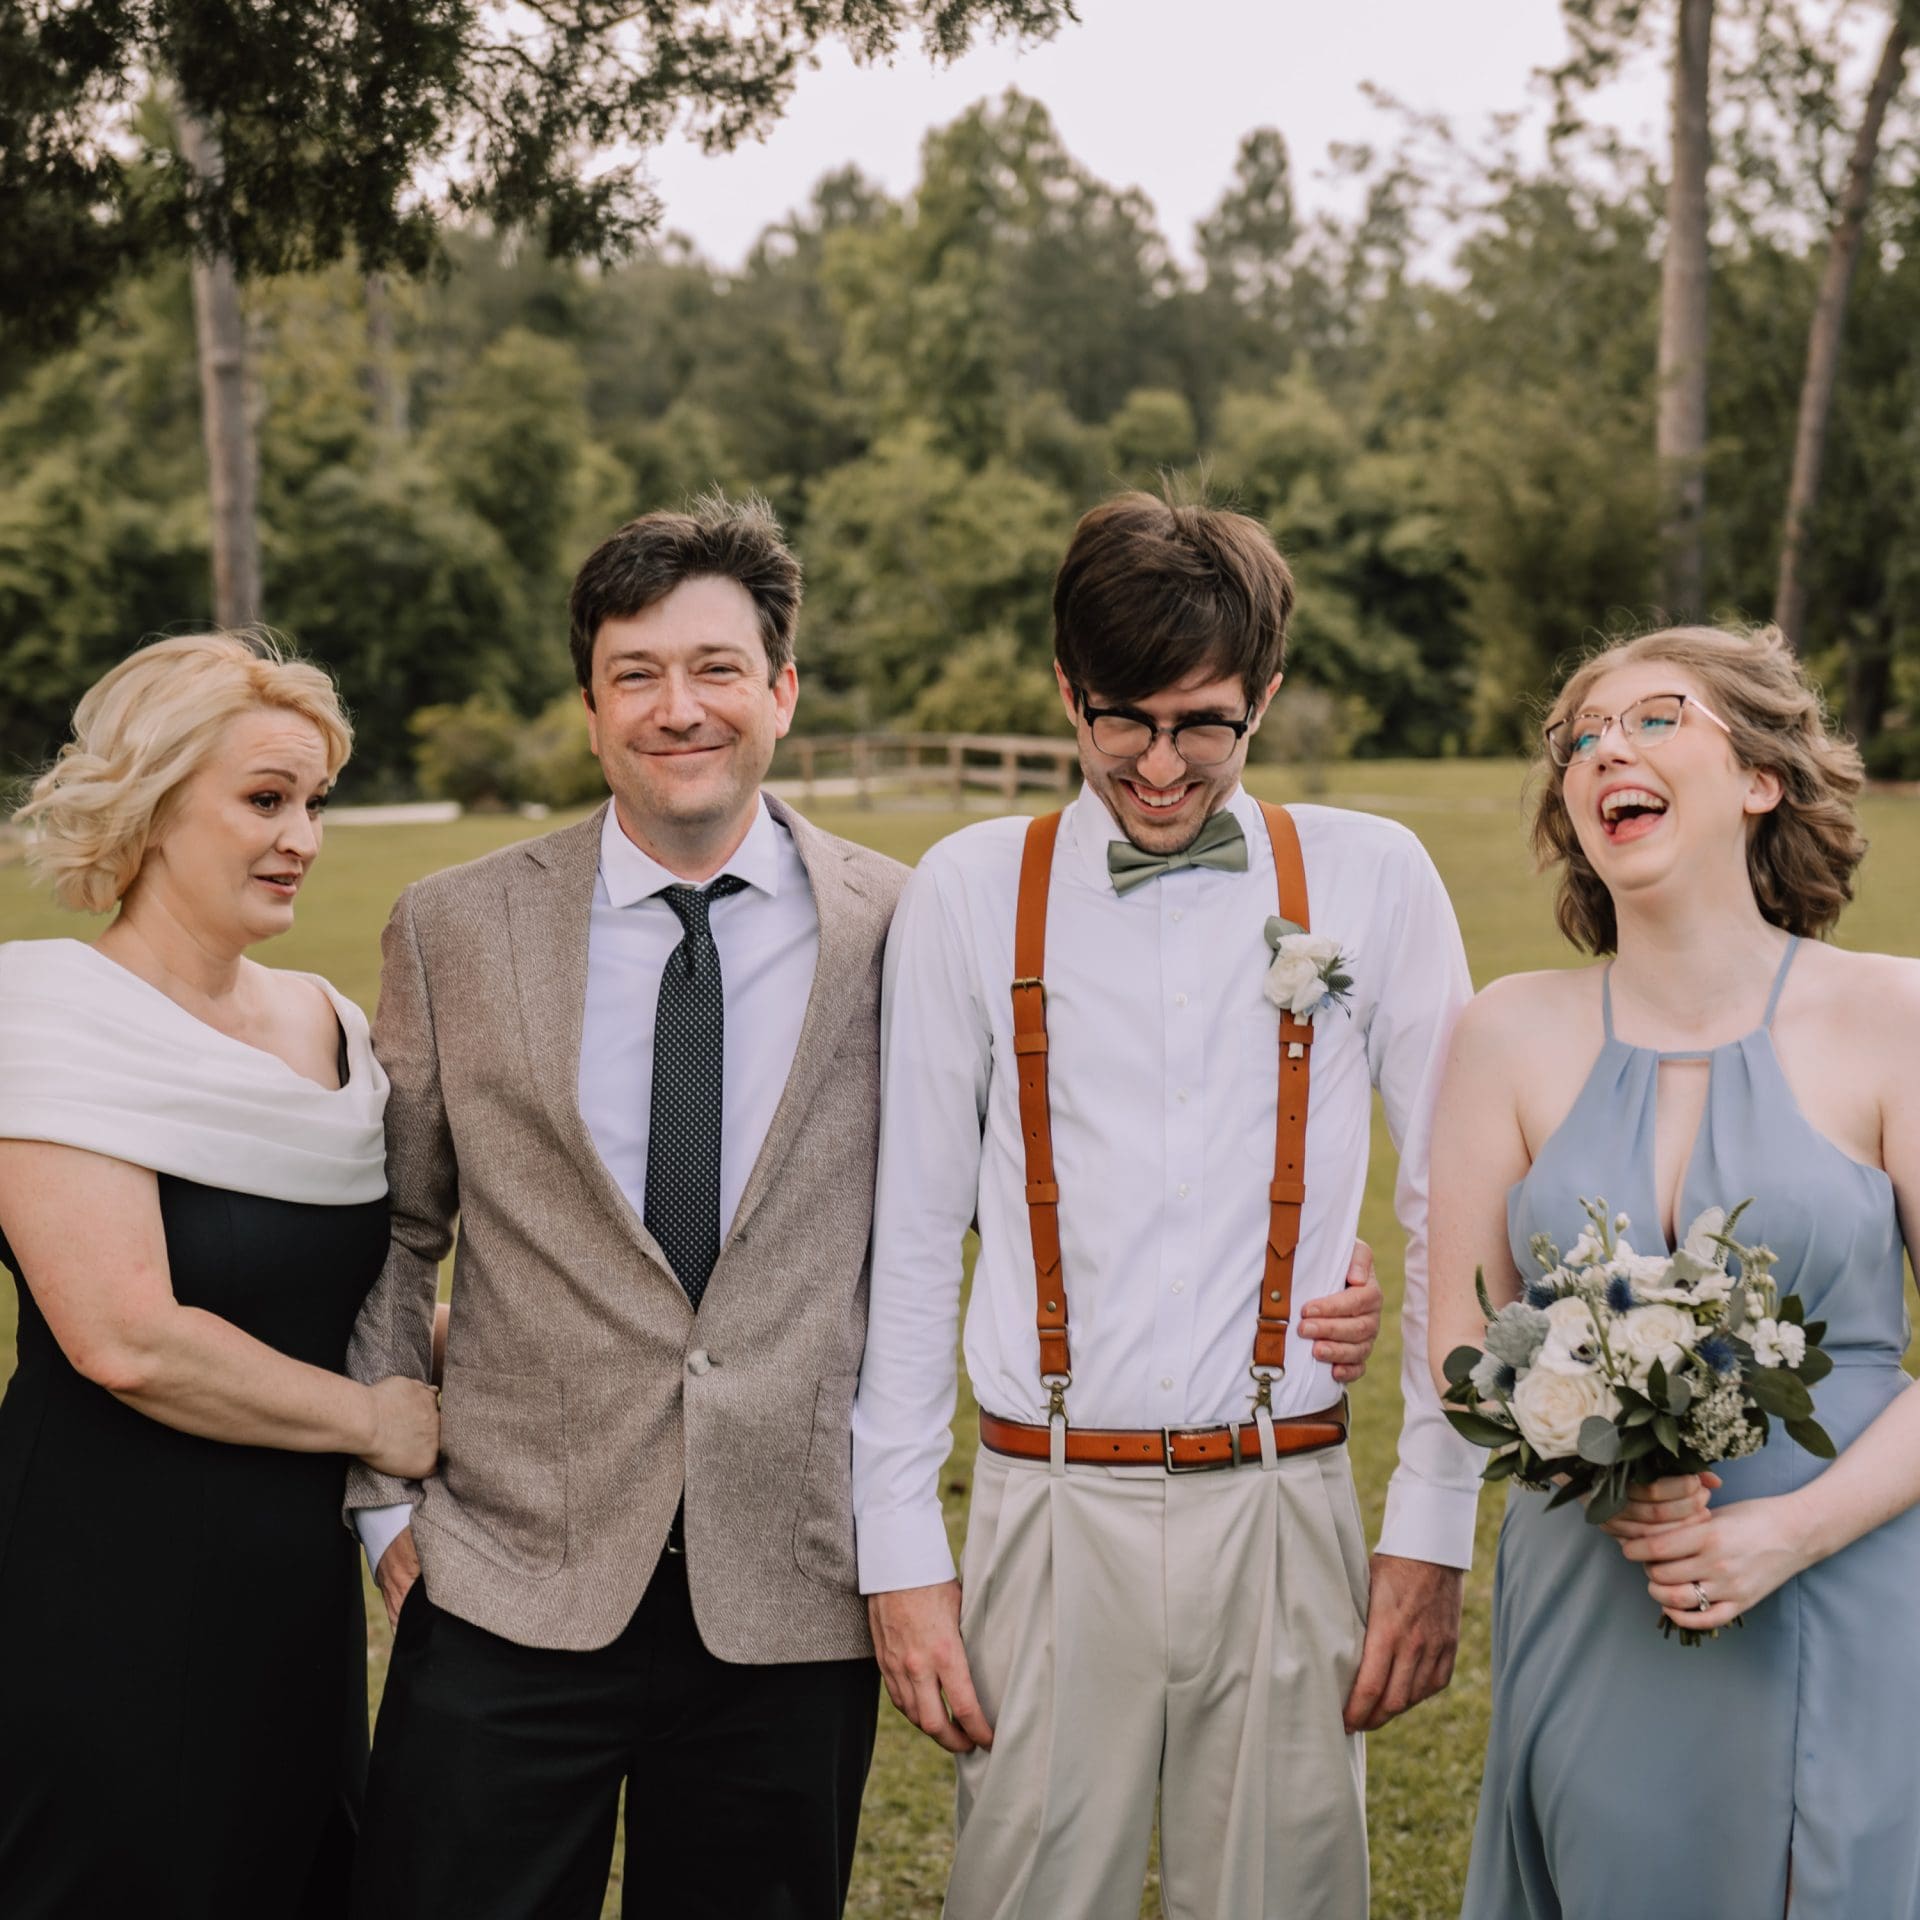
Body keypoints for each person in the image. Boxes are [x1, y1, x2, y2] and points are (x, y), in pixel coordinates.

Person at [851, 490, 1477, 1919]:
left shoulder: (1374, 874)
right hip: (1045, 1499)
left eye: (1204, 725)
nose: (1156, 764)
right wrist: (903, 1551)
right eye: (1120, 720)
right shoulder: (968, 892)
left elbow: (1456, 1203)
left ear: (1267, 694)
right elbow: (914, 1241)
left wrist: (1434, 1522)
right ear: (1065, 688)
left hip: (1285, 1490)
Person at [344, 495, 905, 1920]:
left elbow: (1007, 1208)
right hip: (505, 1574)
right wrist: (383, 1509)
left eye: (716, 668)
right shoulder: (453, 926)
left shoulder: (903, 925)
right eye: (635, 674)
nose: (679, 708)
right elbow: (396, 1229)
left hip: (793, 1586)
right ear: (592, 710)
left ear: (782, 690)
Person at [1431, 624, 1920, 1919]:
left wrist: (1787, 1533)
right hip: (1595, 1589)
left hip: (1846, 1581)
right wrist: (1598, 1461)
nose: (1606, 750)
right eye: (1581, 737)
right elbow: (1463, 1355)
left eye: (1654, 719)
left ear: (1761, 777)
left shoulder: (1895, 1017)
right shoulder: (1503, 1033)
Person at [0, 632, 440, 1918]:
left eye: (314, 802)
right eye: (263, 800)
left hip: (291, 1584)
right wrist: (376, 1423)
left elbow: (336, 1296)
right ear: (149, 806)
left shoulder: (331, 1022)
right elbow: (126, 1336)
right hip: (104, 1580)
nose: (301, 836)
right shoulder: (45, 1017)